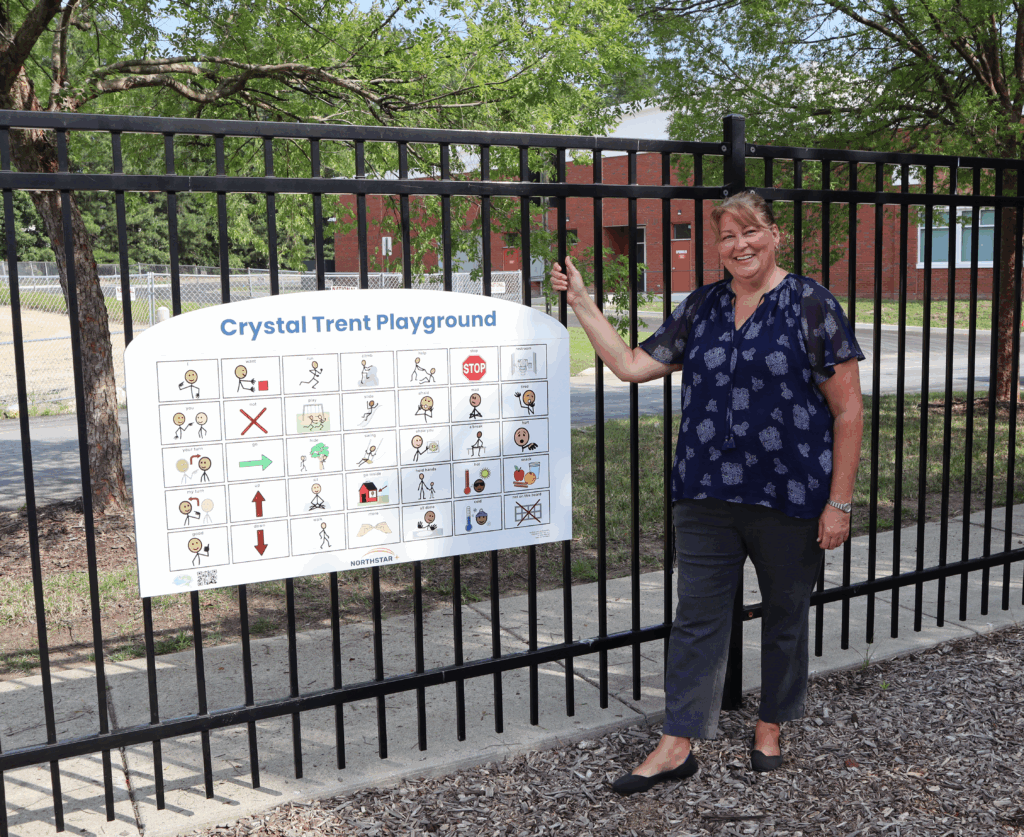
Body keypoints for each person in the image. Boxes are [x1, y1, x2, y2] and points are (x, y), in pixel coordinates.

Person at [549, 191, 864, 793]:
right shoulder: (704, 306)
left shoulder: (811, 305)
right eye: (727, 237)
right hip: (705, 494)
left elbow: (848, 411)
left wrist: (838, 503)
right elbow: (631, 365)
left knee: (786, 615)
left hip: (790, 495)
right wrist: (583, 302)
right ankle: (677, 741)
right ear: (716, 247)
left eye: (750, 232)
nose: (739, 245)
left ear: (775, 236)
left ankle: (770, 725)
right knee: (696, 618)